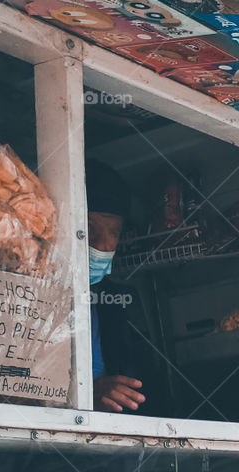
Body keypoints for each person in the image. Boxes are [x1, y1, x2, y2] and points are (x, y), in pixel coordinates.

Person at [86, 160, 146, 414]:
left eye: (114, 233)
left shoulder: (120, 301)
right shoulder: (27, 294)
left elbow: (139, 390)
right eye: (88, 229)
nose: (103, 245)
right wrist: (84, 396)